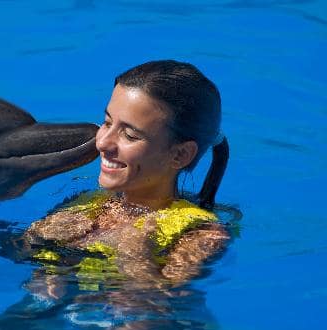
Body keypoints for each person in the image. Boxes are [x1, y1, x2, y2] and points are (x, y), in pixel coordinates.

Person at [24, 60, 231, 294]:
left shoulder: (200, 234)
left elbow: (150, 316)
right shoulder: (88, 203)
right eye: (107, 122)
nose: (101, 142)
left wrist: (136, 254)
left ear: (180, 155)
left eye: (130, 135)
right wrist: (39, 238)